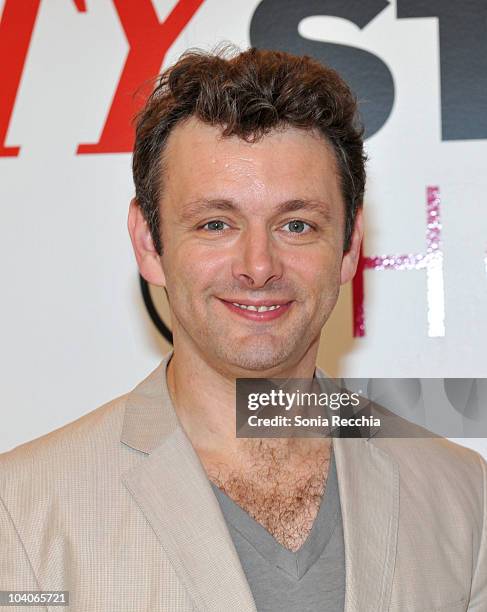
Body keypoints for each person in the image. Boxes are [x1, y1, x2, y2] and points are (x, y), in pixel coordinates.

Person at [0, 48, 485, 612]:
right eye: (216, 224)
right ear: (148, 243)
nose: (258, 266)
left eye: (297, 224)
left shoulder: (458, 495)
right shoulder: (24, 509)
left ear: (350, 247)